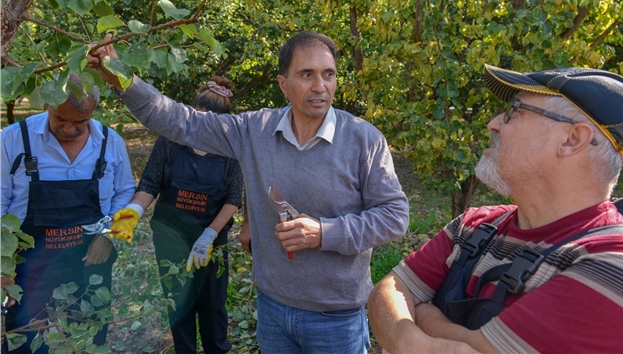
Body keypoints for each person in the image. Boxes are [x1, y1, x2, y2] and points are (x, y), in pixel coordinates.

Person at [88, 31, 409, 353]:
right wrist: (120, 76)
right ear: (283, 84)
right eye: (306, 74)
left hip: (335, 317)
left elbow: (395, 216)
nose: (320, 86)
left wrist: (325, 232)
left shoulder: (363, 140)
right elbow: (180, 122)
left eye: (329, 74)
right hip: (272, 310)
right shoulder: (255, 131)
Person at [367, 64, 623, 353]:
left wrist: (425, 314)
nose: (493, 124)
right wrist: (411, 342)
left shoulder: (614, 264)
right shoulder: (474, 225)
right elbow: (388, 290)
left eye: (514, 110)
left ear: (571, 140)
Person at [1, 73, 136, 353]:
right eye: (60, 119)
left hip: (89, 258)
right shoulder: (13, 140)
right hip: (28, 262)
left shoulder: (111, 142)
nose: (69, 129)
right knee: (24, 335)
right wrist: (3, 268)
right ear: (48, 105)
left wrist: (108, 236)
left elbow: (125, 192)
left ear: (93, 112)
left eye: (80, 122)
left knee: (90, 331)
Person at [114, 77, 243, 353]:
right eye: (198, 122)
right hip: (170, 238)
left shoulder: (232, 149)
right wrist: (133, 211)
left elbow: (233, 198)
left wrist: (209, 235)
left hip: (211, 241)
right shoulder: (171, 141)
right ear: (192, 114)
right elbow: (150, 183)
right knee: (178, 303)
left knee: (213, 305)